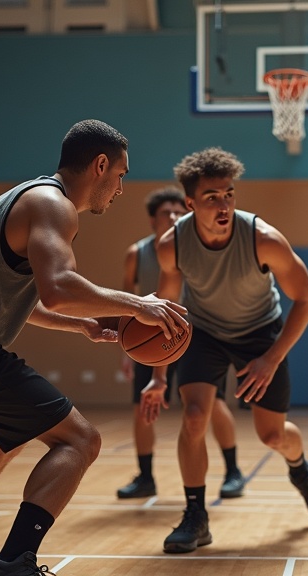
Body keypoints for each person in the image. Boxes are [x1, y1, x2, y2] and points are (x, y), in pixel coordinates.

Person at [0, 119, 188, 576]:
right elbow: (58, 287)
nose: (122, 188)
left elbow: (19, 301)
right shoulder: (54, 205)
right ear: (100, 164)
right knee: (81, 440)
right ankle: (15, 564)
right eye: (122, 175)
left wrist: (84, 326)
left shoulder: (32, 197)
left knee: (6, 434)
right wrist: (138, 303)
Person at [140, 147, 308, 554]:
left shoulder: (263, 239)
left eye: (229, 194)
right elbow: (168, 313)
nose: (224, 204)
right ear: (190, 204)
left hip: (259, 333)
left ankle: (301, 471)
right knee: (194, 417)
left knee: (272, 435)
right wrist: (158, 377)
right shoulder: (171, 245)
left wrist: (271, 358)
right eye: (212, 197)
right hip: (204, 332)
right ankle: (196, 516)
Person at [116, 186, 245, 500]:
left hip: (194, 336)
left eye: (178, 211)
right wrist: (124, 349)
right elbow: (127, 300)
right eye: (166, 213)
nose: (173, 216)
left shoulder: (194, 247)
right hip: (151, 338)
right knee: (143, 406)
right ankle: (145, 477)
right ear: (152, 221)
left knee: (212, 405)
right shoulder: (137, 253)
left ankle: (233, 470)